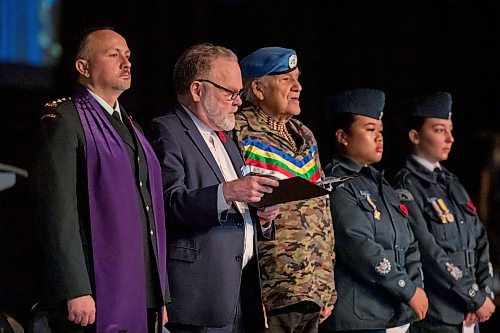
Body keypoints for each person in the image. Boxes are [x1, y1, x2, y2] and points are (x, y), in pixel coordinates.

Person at [32, 28, 169, 333]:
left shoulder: (132, 126)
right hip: (93, 286)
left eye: (128, 56)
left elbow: (147, 214)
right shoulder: (65, 119)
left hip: (139, 289)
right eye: (113, 55)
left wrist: (159, 293)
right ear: (83, 67)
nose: (126, 63)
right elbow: (58, 210)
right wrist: (74, 287)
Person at [149, 43, 280, 333]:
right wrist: (230, 192)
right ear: (197, 90)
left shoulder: (227, 139)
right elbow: (170, 203)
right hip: (199, 298)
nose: (238, 102)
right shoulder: (167, 131)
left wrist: (262, 218)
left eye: (239, 93)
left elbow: (238, 208)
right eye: (230, 93)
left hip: (240, 295)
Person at [233, 47, 336, 333]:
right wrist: (253, 295)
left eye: (298, 78)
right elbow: (235, 213)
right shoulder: (238, 131)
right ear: (258, 88)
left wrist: (325, 284)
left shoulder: (304, 134)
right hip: (271, 292)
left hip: (312, 289)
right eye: (286, 79)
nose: (298, 86)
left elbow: (322, 212)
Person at [320, 89, 428, 333]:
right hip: (360, 318)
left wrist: (415, 288)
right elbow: (359, 245)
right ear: (342, 136)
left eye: (380, 131)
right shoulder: (336, 183)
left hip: (395, 314)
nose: (379, 138)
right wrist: (407, 288)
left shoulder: (382, 184)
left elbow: (410, 242)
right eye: (369, 130)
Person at [393, 92, 495, 332]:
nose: (450, 138)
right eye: (439, 130)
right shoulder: (406, 185)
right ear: (415, 136)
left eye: (450, 130)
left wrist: (484, 292)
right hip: (439, 314)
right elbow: (430, 252)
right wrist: (473, 295)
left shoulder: (451, 181)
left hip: (470, 313)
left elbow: (480, 239)